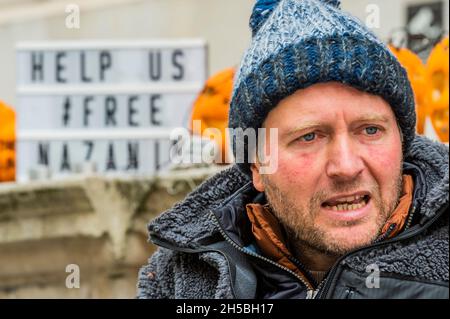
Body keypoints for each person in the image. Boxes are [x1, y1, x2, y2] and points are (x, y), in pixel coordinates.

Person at [137, 0, 448, 299]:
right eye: (309, 136)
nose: (346, 165)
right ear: (257, 165)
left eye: (370, 130)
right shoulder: (181, 279)